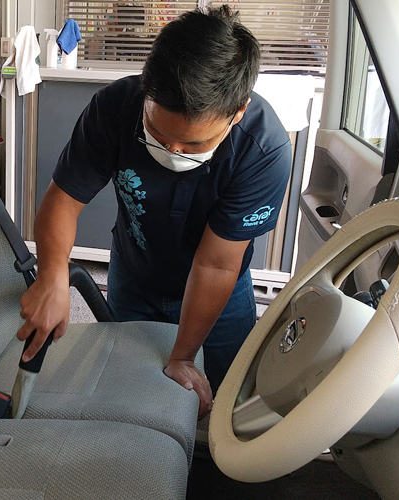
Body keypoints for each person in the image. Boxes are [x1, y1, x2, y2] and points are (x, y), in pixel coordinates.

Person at [16, 7, 291, 417]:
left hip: (221, 288)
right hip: (134, 273)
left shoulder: (263, 149)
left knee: (228, 399)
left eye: (194, 144)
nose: (173, 150)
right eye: (158, 134)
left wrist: (183, 356)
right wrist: (53, 276)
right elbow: (64, 199)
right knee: (127, 389)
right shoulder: (115, 108)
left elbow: (216, 264)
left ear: (236, 114)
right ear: (146, 92)